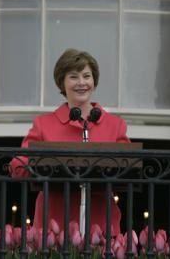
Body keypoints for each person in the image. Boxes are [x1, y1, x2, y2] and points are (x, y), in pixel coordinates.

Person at [9, 49, 130, 235]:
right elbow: (18, 166)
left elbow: (129, 167)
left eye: (86, 76)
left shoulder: (115, 125)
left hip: (100, 221)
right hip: (54, 223)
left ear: (94, 81)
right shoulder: (43, 124)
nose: (81, 83)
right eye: (73, 77)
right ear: (62, 83)